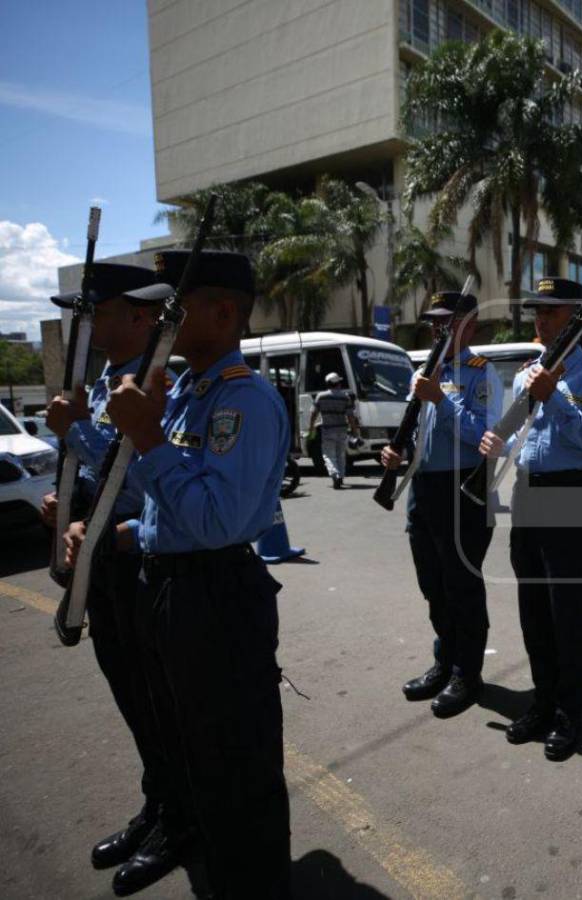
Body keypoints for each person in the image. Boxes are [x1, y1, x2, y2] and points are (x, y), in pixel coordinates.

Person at [66, 250, 292, 898]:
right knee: (198, 758)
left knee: (237, 770)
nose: (163, 320)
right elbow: (171, 505)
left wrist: (150, 441)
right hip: (173, 590)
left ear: (222, 314)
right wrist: (129, 528)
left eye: (176, 307)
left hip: (216, 598)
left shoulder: (242, 400)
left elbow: (219, 523)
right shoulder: (191, 391)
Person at [43, 264, 190, 896]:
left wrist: (73, 431)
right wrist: (68, 505)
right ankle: (157, 807)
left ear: (138, 317)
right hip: (102, 559)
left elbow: (141, 483)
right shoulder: (100, 386)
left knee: (161, 702)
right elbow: (100, 480)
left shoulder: (161, 385)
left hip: (141, 559)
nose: (90, 324)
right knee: (131, 696)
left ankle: (181, 823)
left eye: (98, 312)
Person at [479, 277, 582, 761]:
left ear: (576, 318)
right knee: (534, 609)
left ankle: (568, 711)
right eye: (537, 311)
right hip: (530, 493)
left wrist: (555, 395)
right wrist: (495, 439)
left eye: (551, 312)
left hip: (572, 493)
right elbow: (519, 429)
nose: (540, 319)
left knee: (570, 613)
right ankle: (542, 699)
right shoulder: (527, 371)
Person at [382, 290, 501, 718]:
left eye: (446, 322)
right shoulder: (425, 371)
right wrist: (396, 453)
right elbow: (419, 434)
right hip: (425, 488)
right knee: (433, 586)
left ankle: (467, 674)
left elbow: (484, 436)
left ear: (468, 325)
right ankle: (445, 661)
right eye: (433, 322)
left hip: (464, 490)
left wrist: (440, 399)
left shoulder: (480, 373)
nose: (436, 329)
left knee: (462, 587)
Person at [308, 371, 360, 489]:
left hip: (327, 430)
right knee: (341, 454)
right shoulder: (345, 397)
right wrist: (354, 431)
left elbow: (313, 413)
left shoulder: (321, 396)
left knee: (328, 455)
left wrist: (311, 428)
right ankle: (340, 476)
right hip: (342, 429)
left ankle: (335, 474)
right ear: (337, 383)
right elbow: (350, 416)